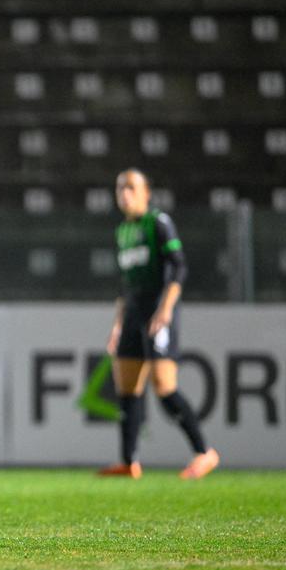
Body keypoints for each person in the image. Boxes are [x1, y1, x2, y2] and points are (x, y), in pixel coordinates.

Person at [101, 168, 220, 480]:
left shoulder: (158, 223)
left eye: (130, 187)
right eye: (119, 188)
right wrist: (117, 324)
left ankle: (205, 452)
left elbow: (179, 268)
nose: (124, 194)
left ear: (145, 193)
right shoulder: (122, 231)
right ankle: (129, 462)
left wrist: (166, 309)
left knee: (164, 387)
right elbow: (125, 285)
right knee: (126, 386)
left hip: (158, 311)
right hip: (133, 312)